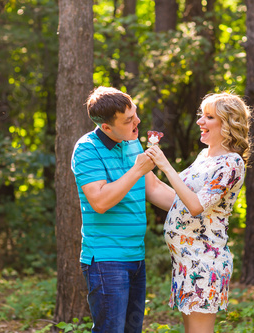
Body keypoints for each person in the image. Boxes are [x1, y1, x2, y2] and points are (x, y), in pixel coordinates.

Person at [145, 92, 252, 333]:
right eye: (201, 115)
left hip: (205, 263)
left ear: (228, 124)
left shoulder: (230, 163)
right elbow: (170, 197)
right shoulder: (205, 157)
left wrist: (164, 165)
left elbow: (195, 206)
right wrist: (139, 159)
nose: (200, 122)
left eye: (209, 117)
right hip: (185, 261)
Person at [71, 86, 174, 333]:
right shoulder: (87, 149)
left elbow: (153, 188)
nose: (137, 121)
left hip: (135, 257)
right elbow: (100, 201)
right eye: (129, 120)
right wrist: (137, 169)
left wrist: (199, 207)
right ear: (106, 127)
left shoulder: (132, 142)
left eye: (135, 114)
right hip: (106, 260)